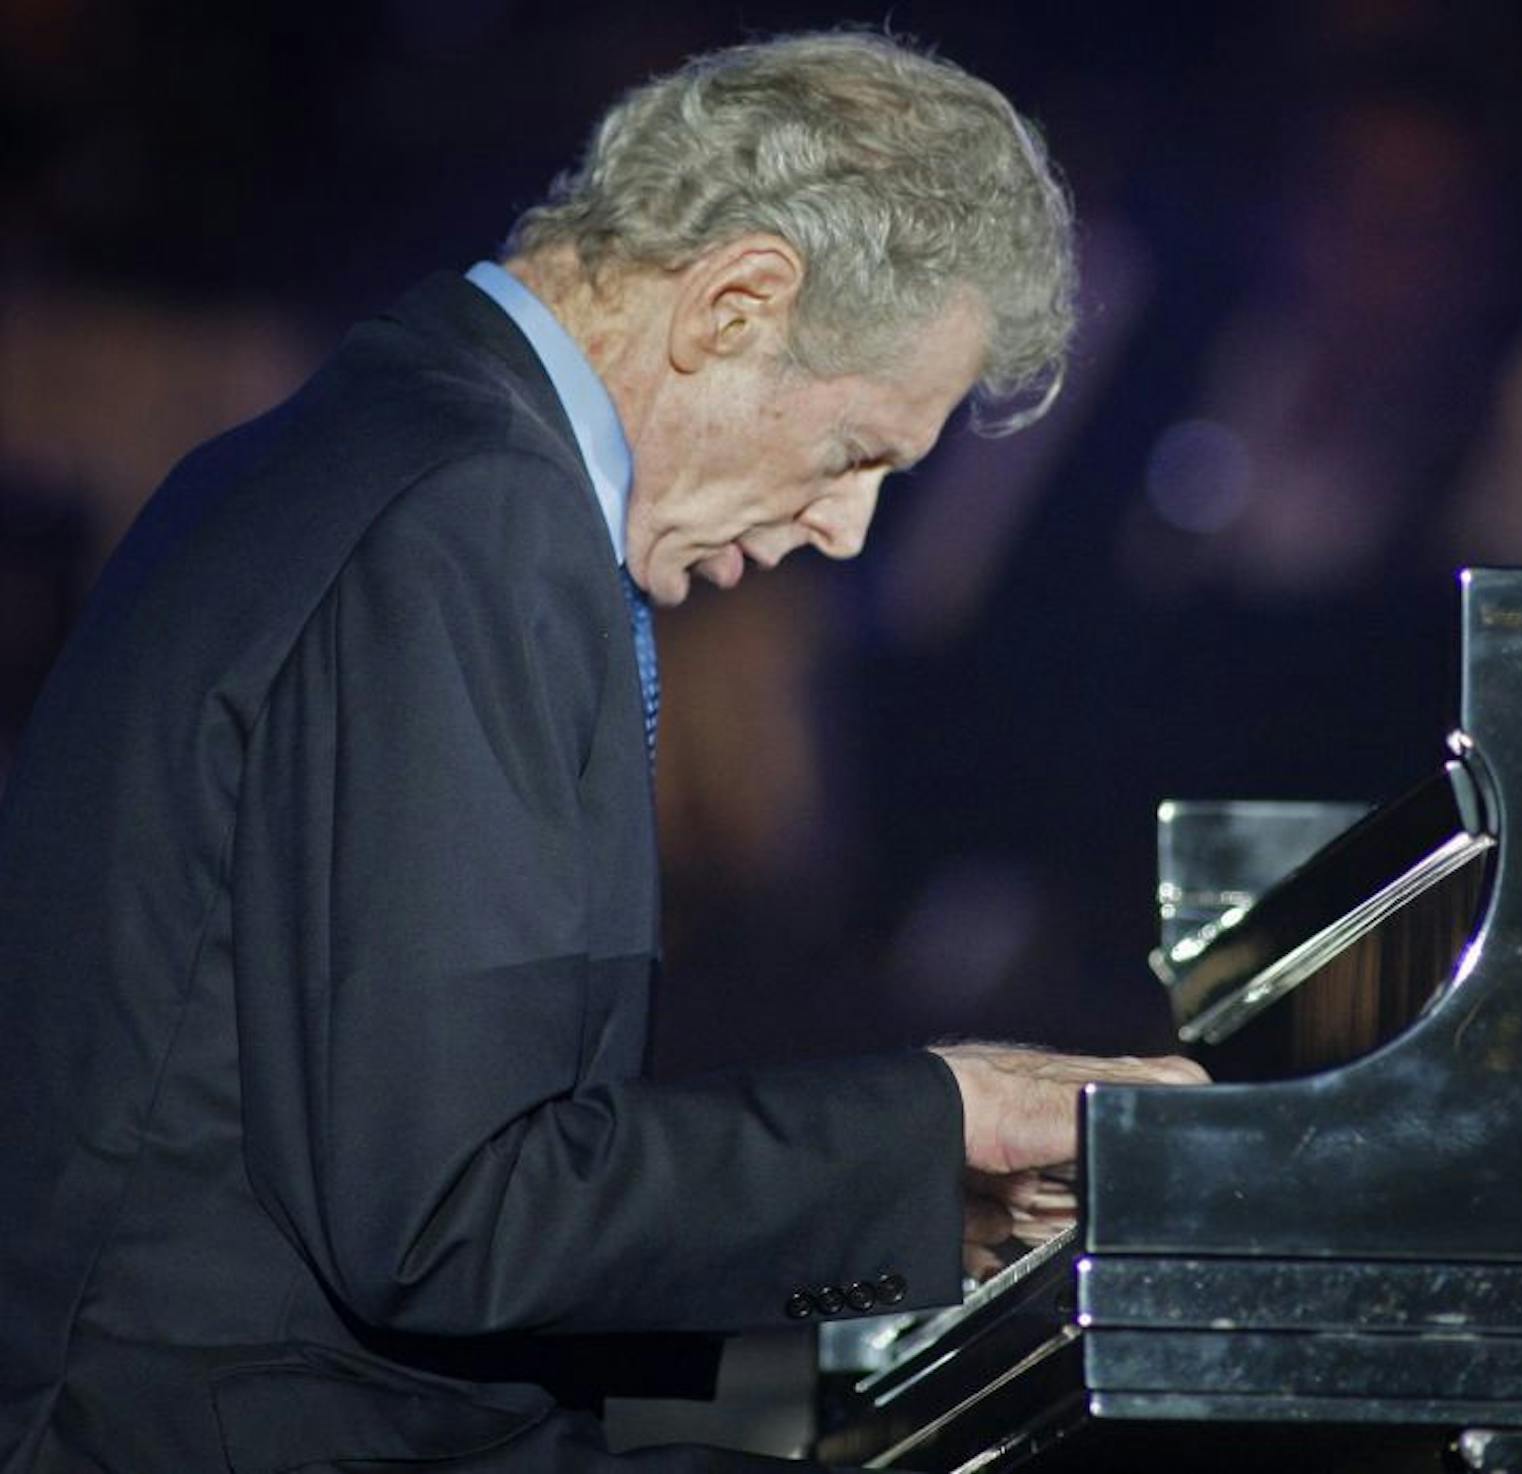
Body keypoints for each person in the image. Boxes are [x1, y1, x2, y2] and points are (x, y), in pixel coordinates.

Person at [0, 31, 1204, 1474]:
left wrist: (903, 1209)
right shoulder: (472, 511)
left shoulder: (400, 437)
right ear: (736, 304)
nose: (850, 530)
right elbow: (447, 1215)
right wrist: (948, 1110)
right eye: (859, 450)